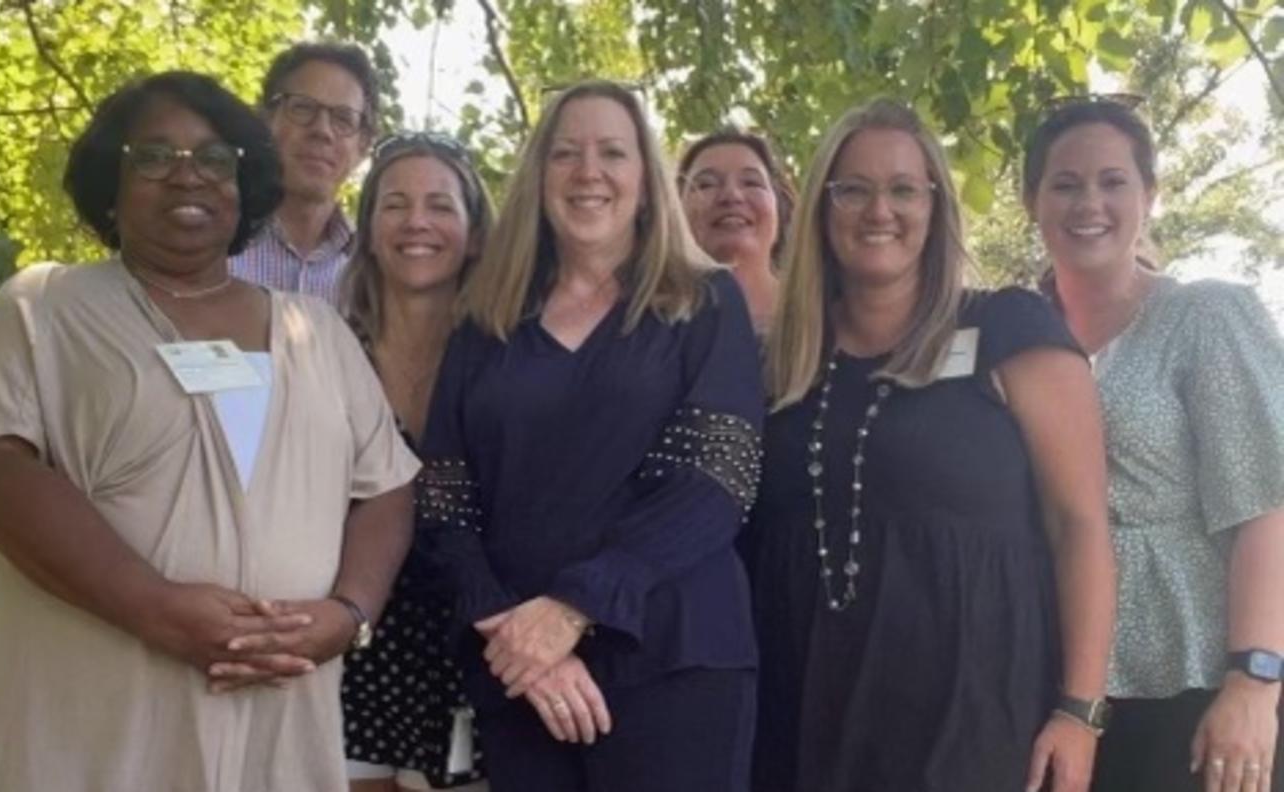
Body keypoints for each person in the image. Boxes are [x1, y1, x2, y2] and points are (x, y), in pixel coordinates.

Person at [0, 71, 417, 791]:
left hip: (273, 722)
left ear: (244, 188)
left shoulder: (320, 331)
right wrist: (153, 608)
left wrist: (349, 614)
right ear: (109, 185)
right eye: (153, 156)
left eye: (215, 160)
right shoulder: (45, 306)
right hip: (89, 722)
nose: (189, 177)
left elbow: (388, 487)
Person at [748, 98, 1116, 792]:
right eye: (852, 188)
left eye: (902, 189)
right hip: (804, 714)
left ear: (935, 205)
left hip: (971, 718)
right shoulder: (782, 364)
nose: (877, 210)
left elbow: (1082, 526)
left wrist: (1079, 711)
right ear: (823, 208)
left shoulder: (1008, 328)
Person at [415, 80, 764, 792]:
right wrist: (504, 622)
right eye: (566, 153)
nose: (589, 172)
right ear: (539, 175)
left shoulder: (705, 300)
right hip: (519, 669)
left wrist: (573, 609)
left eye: (613, 152)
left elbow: (716, 480)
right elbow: (444, 493)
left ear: (645, 176)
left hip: (674, 657)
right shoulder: (488, 318)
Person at [1024, 98, 1284, 792]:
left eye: (1113, 181)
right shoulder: (1016, 337)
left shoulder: (1206, 315)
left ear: (1149, 195)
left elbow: (1266, 504)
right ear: (1032, 201)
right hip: (1059, 681)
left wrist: (1255, 681)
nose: (1090, 202)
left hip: (1195, 681)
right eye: (1066, 183)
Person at [338, 131, 494, 792]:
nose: (417, 222)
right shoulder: (324, 351)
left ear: (476, 232)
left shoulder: (511, 358)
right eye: (395, 205)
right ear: (369, 230)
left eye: (440, 205)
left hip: (475, 639)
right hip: (353, 640)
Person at [231, 42, 378, 301]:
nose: (322, 130)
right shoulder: (213, 245)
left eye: (343, 119)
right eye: (303, 108)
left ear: (363, 146)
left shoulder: (375, 272)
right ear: (265, 120)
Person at [677, 128, 795, 335]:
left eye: (751, 182)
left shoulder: (823, 317)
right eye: (706, 185)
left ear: (779, 207)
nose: (731, 195)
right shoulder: (649, 323)